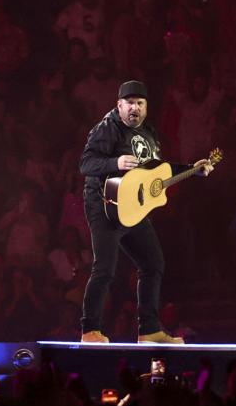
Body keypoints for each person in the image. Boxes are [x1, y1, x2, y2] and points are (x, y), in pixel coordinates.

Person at [79, 80, 214, 343]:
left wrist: (191, 169)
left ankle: (149, 330)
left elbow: (158, 169)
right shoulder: (108, 128)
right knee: (105, 268)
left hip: (133, 208)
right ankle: (89, 330)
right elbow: (86, 163)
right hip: (104, 207)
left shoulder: (149, 134)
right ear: (119, 105)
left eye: (140, 103)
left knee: (153, 264)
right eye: (130, 103)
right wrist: (114, 162)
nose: (135, 108)